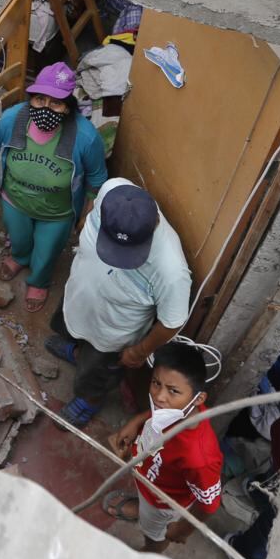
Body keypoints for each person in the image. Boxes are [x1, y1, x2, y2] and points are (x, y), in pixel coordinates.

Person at [45, 177, 190, 425]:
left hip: (111, 333)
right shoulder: (113, 190)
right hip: (79, 296)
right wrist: (85, 221)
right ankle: (76, 352)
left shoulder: (171, 270)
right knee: (68, 326)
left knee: (96, 372)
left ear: (155, 223)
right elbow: (92, 207)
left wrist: (138, 351)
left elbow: (171, 322)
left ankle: (88, 400)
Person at [0, 62, 107, 311]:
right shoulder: (12, 120)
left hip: (57, 213)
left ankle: (39, 281)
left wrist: (87, 214)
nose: (46, 108)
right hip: (14, 201)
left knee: (46, 252)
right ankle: (20, 257)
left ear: (68, 107)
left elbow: (97, 179)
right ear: (31, 98)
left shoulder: (85, 137)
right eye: (40, 99)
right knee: (19, 239)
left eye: (56, 103)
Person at [105, 341, 223, 553]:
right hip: (149, 478)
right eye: (156, 383)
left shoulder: (198, 456)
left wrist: (182, 530)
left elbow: (210, 503)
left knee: (154, 533)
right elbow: (158, 413)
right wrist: (137, 421)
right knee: (146, 506)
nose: (159, 396)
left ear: (198, 399)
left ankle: (150, 551)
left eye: (173, 390)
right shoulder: (177, 409)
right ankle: (142, 508)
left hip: (162, 503)